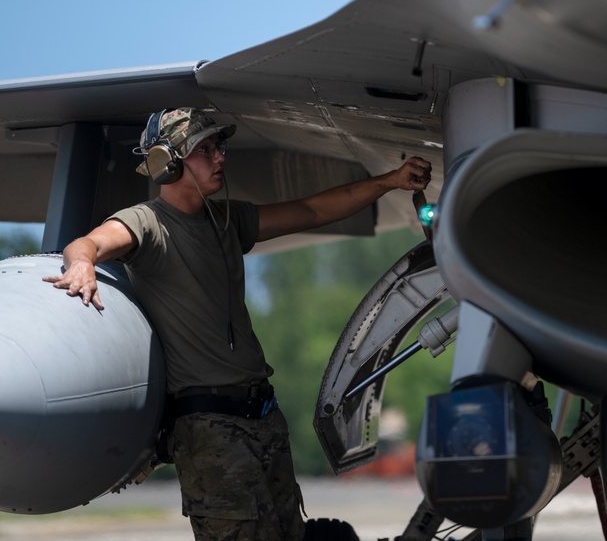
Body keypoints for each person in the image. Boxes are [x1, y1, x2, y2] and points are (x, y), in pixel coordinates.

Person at [43, 107, 432, 541]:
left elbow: (312, 209)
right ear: (166, 162)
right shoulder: (147, 222)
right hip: (210, 429)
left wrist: (389, 182)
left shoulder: (227, 220)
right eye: (204, 149)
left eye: (219, 147)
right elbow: (88, 242)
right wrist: (81, 266)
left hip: (262, 415)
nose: (219, 157)